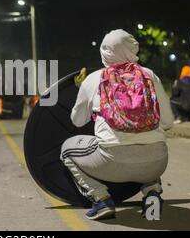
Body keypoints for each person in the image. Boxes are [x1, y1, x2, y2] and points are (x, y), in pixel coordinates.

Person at [60, 29, 174, 220]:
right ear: (132, 49)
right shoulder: (149, 75)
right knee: (150, 142)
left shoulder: (94, 79)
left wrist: (84, 92)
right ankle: (152, 194)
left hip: (112, 162)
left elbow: (77, 121)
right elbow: (168, 122)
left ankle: (101, 199)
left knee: (66, 150)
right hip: (156, 163)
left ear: (105, 52)